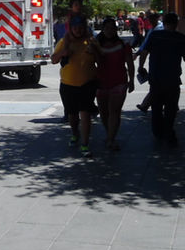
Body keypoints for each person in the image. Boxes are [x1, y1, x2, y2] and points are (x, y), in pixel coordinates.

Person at [137, 12, 185, 144]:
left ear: (164, 23)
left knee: (157, 107)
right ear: (176, 24)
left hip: (156, 78)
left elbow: (144, 52)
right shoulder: (180, 38)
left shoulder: (154, 35)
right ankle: (169, 131)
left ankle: (158, 131)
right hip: (173, 79)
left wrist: (141, 67)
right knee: (171, 108)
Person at [51, 15, 100, 157]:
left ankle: (85, 144)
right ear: (71, 29)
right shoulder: (64, 42)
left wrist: (95, 51)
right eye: (75, 28)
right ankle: (75, 133)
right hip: (68, 84)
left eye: (80, 28)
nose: (78, 30)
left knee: (85, 114)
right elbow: (53, 60)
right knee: (73, 116)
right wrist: (63, 53)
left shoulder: (91, 41)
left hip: (87, 84)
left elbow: (101, 61)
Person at [95, 18, 135, 151]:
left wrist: (132, 80)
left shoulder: (124, 45)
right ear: (103, 29)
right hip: (100, 82)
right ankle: (109, 135)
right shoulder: (96, 45)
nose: (110, 31)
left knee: (114, 112)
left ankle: (111, 139)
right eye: (107, 28)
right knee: (104, 113)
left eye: (112, 28)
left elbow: (130, 63)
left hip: (119, 82)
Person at [135, 12, 163, 113]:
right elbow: (145, 45)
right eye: (149, 19)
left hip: (159, 62)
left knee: (157, 86)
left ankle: (145, 105)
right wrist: (138, 54)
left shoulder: (159, 30)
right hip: (157, 62)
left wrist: (140, 64)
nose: (150, 21)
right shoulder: (152, 29)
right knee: (160, 86)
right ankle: (145, 105)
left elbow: (146, 48)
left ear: (157, 18)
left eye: (152, 19)